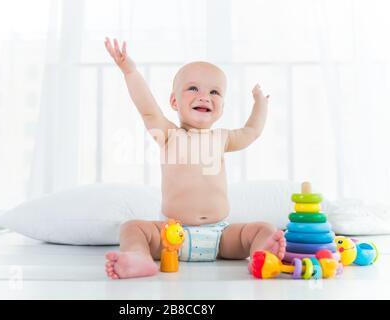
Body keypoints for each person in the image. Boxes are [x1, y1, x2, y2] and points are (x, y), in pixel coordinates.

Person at [103, 37, 285, 279]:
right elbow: (147, 108)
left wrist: (260, 104)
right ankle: (139, 258)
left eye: (214, 92)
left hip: (222, 237)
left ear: (221, 106)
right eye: (193, 88)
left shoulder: (223, 138)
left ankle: (263, 256)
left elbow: (252, 132)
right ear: (174, 102)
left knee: (263, 228)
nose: (204, 96)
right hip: (172, 236)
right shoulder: (169, 135)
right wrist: (130, 71)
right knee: (132, 228)